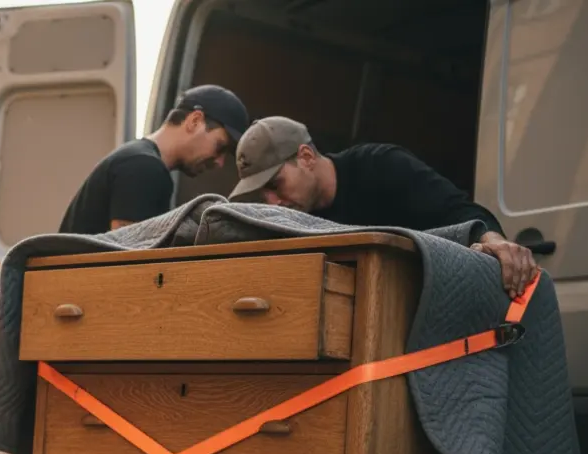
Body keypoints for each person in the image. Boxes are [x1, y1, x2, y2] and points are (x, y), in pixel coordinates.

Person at [229, 117, 536, 299]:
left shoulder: (382, 167)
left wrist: (493, 241)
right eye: (262, 194)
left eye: (275, 184)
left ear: (307, 157)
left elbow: (460, 212)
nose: (272, 202)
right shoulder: (286, 219)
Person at [59, 84, 251, 235]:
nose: (219, 163)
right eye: (220, 147)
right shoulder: (144, 167)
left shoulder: (138, 160)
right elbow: (130, 262)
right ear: (194, 121)